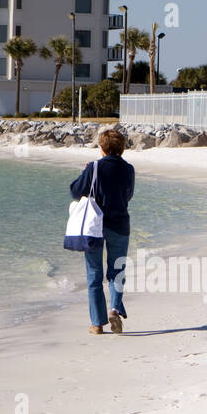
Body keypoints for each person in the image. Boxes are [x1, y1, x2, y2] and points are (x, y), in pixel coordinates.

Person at [69, 128, 135, 335]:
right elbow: (128, 195)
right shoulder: (129, 169)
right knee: (117, 271)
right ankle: (115, 309)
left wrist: (86, 171)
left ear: (102, 148)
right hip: (120, 225)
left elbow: (75, 191)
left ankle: (97, 324)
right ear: (121, 148)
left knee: (94, 274)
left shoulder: (95, 167)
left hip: (94, 226)